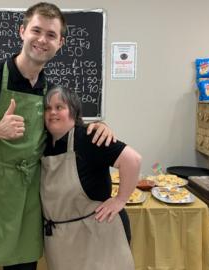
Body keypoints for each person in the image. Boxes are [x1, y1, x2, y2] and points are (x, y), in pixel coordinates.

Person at [0, 3, 115, 270]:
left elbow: (68, 129)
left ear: (60, 43)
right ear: (22, 31)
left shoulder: (49, 91)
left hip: (27, 196)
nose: (42, 40)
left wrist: (101, 126)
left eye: (51, 35)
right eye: (36, 30)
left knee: (23, 265)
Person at [40, 86, 141, 270]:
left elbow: (132, 160)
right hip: (60, 240)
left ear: (73, 110)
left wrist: (120, 200)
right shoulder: (43, 144)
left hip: (97, 235)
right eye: (48, 108)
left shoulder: (89, 137)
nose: (52, 112)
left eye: (59, 107)